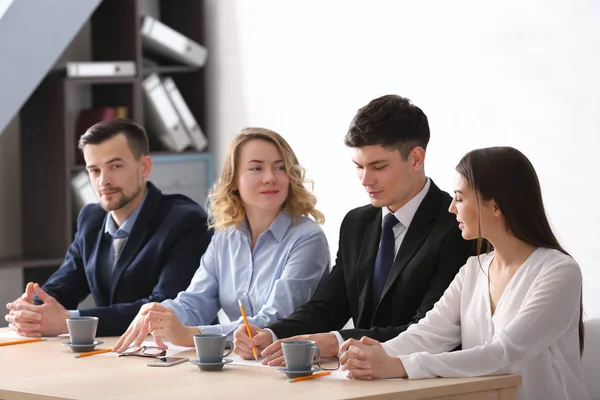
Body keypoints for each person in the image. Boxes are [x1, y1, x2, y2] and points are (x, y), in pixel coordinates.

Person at [234, 95, 474, 365]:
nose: (365, 180)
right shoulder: (357, 224)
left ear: (416, 158)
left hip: (423, 379)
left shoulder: (457, 227)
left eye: (378, 167)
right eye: (359, 167)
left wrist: (334, 341)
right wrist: (271, 333)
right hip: (359, 376)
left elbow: (428, 332)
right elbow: (328, 306)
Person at [339, 147, 587, 400]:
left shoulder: (559, 272)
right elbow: (429, 334)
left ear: (496, 206)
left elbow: (504, 354)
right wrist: (374, 354)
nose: (451, 208)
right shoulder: (473, 270)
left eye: (459, 198)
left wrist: (400, 365)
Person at [113, 127, 330, 351]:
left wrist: (191, 335)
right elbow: (196, 303)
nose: (270, 178)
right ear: (234, 180)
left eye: (280, 167)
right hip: (243, 363)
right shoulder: (225, 236)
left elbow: (275, 320)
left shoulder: (307, 238)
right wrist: (161, 313)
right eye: (256, 168)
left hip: (294, 365)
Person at [4, 119, 212, 337]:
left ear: (144, 167)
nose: (103, 181)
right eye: (94, 170)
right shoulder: (91, 218)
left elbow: (162, 308)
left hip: (175, 354)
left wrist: (70, 322)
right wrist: (32, 310)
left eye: (115, 166)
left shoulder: (186, 222)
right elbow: (63, 286)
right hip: (113, 352)